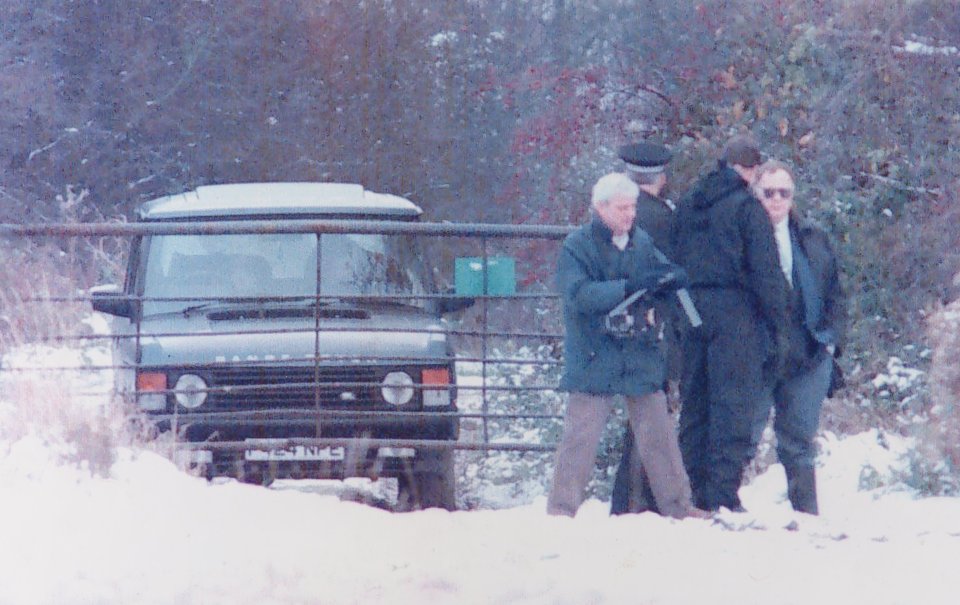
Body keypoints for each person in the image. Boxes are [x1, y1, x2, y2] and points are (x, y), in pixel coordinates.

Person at [547, 172, 703, 519]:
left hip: (638, 352)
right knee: (580, 439)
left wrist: (672, 279)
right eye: (622, 208)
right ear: (600, 208)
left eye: (632, 207)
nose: (630, 215)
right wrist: (628, 287)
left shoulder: (641, 242)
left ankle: (678, 506)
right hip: (594, 353)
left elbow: (661, 275)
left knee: (659, 436)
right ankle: (560, 511)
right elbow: (578, 296)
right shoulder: (578, 245)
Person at [671, 134, 790, 512]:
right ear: (752, 171)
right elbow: (765, 272)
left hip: (690, 306)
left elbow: (673, 254)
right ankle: (722, 494)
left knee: (695, 402)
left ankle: (692, 490)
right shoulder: (747, 208)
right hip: (734, 311)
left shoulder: (689, 203)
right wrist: (781, 320)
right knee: (731, 404)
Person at [751, 160, 846, 514]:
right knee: (743, 435)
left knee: (800, 438)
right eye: (768, 192)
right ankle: (721, 509)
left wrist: (831, 339)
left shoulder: (812, 236)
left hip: (809, 351)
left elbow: (835, 291)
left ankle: (806, 516)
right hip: (759, 352)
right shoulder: (742, 237)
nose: (776, 200)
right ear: (756, 194)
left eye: (784, 193)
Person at [610, 142, 680, 515]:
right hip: (652, 327)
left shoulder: (613, 215)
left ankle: (632, 501)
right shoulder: (661, 219)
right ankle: (635, 502)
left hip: (619, 325)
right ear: (661, 176)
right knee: (649, 414)